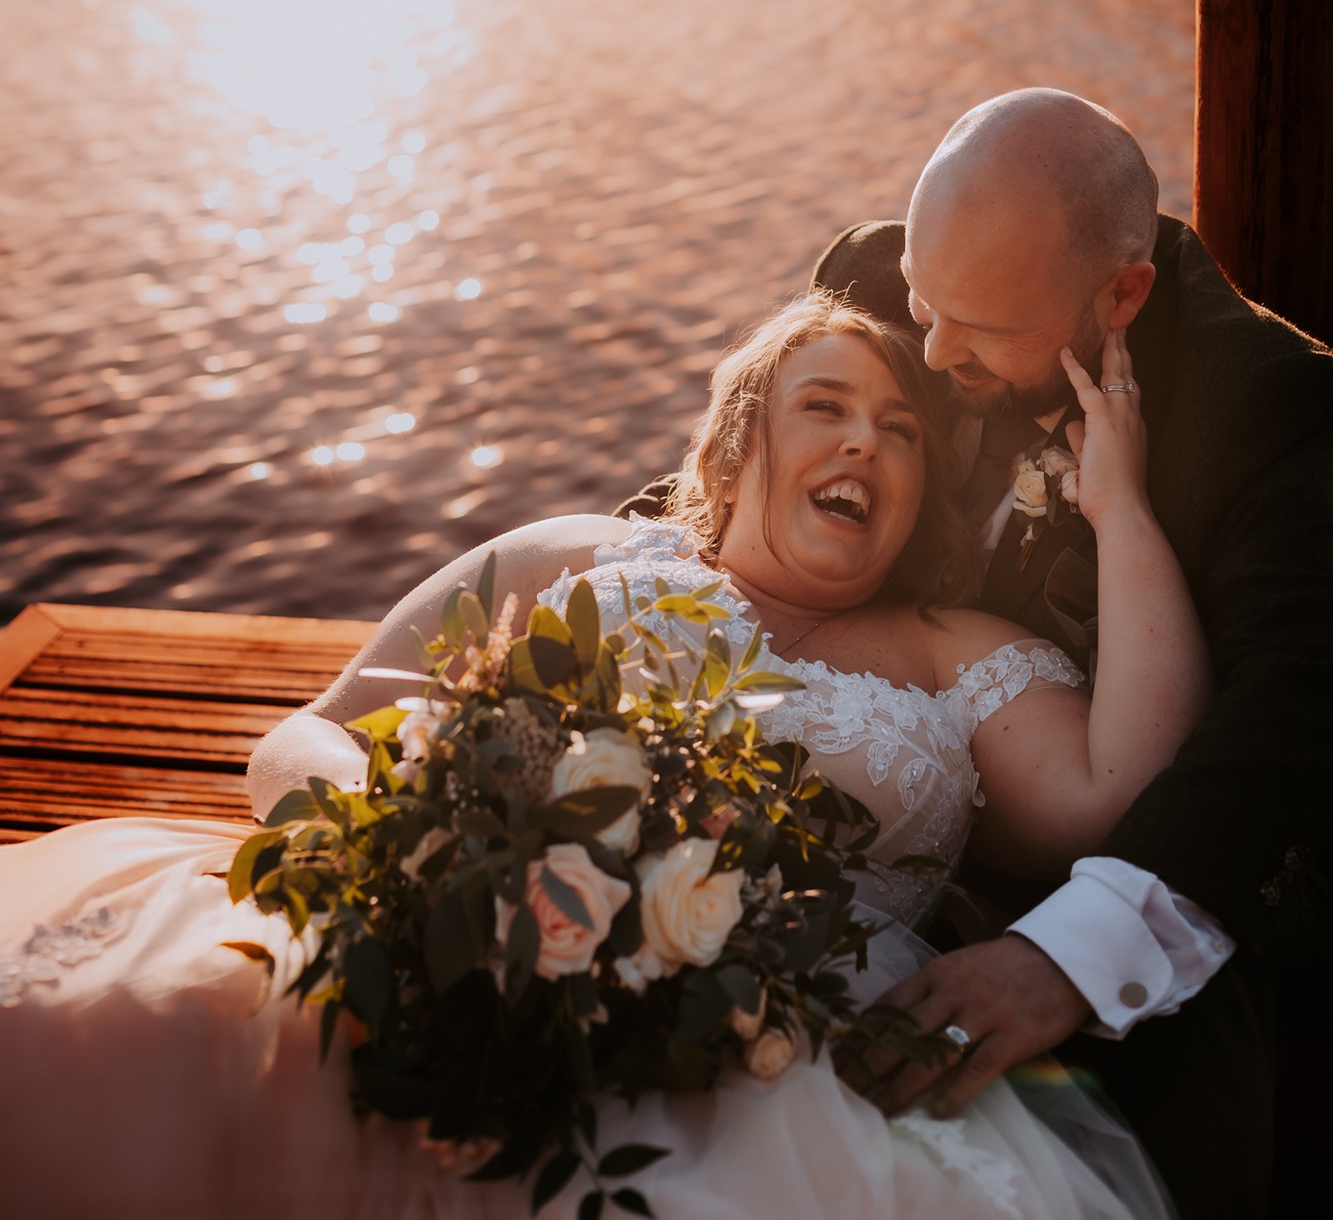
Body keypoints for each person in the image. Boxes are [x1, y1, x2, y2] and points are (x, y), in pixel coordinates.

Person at [0, 287, 1201, 1220]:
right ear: (734, 453)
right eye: (823, 407)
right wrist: (444, 842)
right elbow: (307, 732)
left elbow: (1126, 795)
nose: (866, 444)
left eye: (899, 431)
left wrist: (1123, 510)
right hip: (485, 965)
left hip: (800, 1055)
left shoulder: (958, 652)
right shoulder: (577, 558)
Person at [794, 89, 1333, 1220]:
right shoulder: (877, 277)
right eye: (921, 305)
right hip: (859, 807)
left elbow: (1292, 712)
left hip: (1115, 869)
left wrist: (1069, 958)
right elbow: (751, 470)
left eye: (979, 329)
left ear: (1121, 294)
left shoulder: (1274, 412)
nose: (931, 349)